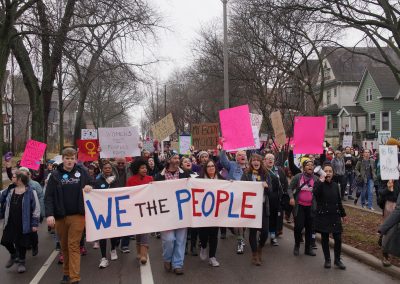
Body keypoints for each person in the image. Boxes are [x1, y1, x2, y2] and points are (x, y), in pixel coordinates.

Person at [45, 148, 93, 284]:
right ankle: (66, 274)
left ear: (75, 159)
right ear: (63, 159)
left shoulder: (82, 172)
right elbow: (48, 196)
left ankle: (75, 278)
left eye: (72, 158)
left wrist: (89, 186)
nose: (70, 161)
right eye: (67, 158)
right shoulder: (55, 175)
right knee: (64, 246)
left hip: (77, 215)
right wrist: (49, 214)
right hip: (60, 216)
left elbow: (93, 183)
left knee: (73, 245)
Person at [155, 153, 190, 275]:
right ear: (169, 160)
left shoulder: (185, 174)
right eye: (175, 158)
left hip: (181, 213)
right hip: (166, 213)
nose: (177, 160)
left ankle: (178, 264)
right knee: (169, 240)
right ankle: (167, 259)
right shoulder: (159, 176)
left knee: (180, 240)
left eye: (178, 158)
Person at [242, 154, 279, 266]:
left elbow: (271, 190)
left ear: (261, 162)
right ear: (251, 162)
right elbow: (240, 187)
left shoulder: (265, 174)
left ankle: (260, 248)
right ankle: (254, 254)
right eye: (254, 160)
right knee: (253, 231)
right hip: (251, 208)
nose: (256, 162)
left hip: (263, 206)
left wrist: (266, 186)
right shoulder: (246, 174)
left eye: (258, 160)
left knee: (264, 232)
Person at [1, 172, 40, 273]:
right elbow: (2, 198)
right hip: (10, 221)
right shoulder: (11, 189)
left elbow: (36, 208)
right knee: (5, 241)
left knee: (21, 243)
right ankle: (14, 254)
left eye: (14, 177)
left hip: (24, 221)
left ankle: (22, 262)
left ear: (20, 180)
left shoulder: (31, 192)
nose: (12, 178)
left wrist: (34, 224)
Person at [313, 163, 347, 269]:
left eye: (330, 171)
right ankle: (327, 259)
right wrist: (320, 181)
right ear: (322, 172)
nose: (328, 173)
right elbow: (315, 193)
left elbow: (338, 201)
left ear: (333, 173)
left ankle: (337, 260)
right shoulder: (319, 183)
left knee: (338, 238)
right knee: (325, 238)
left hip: (335, 215)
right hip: (324, 215)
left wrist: (343, 214)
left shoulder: (335, 185)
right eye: (326, 171)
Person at [219, 146, 248, 253]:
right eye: (239, 154)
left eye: (244, 154)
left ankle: (241, 238)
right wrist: (224, 148)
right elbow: (222, 160)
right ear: (236, 158)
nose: (242, 156)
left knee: (242, 222)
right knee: (237, 222)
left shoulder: (251, 167)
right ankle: (239, 239)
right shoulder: (231, 165)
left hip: (246, 199)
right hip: (233, 198)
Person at [288, 159, 318, 257]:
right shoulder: (298, 177)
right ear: (304, 167)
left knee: (309, 228)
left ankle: (308, 248)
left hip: (311, 207)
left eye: (312, 165)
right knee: (298, 227)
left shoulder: (316, 179)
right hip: (299, 206)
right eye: (308, 165)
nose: (310, 166)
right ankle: (297, 245)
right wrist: (292, 198)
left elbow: (319, 192)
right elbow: (289, 188)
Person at [94, 161, 121, 269]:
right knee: (103, 234)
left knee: (113, 232)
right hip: (101, 210)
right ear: (102, 169)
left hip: (113, 209)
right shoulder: (97, 180)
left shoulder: (115, 179)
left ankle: (113, 249)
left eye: (109, 168)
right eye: (105, 168)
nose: (108, 169)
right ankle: (104, 257)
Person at [126, 158, 153, 265]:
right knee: (138, 232)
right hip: (135, 209)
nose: (144, 169)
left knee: (145, 231)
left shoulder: (150, 179)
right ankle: (138, 251)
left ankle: (143, 255)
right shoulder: (131, 180)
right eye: (142, 168)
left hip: (147, 209)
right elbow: (127, 194)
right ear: (137, 169)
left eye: (145, 167)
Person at [197, 159, 222, 267]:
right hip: (203, 212)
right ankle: (203, 246)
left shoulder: (222, 179)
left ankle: (212, 257)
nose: (211, 168)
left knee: (214, 235)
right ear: (205, 168)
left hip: (216, 212)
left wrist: (231, 183)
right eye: (209, 166)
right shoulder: (199, 180)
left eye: (213, 166)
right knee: (203, 234)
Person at [18, 167, 44, 257]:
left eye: (23, 173)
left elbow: (40, 198)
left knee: (33, 232)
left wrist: (41, 212)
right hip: (20, 214)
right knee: (22, 232)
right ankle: (24, 249)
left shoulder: (35, 185)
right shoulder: (16, 185)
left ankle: (34, 245)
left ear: (28, 174)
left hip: (32, 213)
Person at [263, 153, 287, 245]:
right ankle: (262, 235)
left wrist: (283, 195)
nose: (270, 160)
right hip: (265, 198)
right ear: (264, 160)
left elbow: (284, 182)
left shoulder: (279, 170)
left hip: (276, 198)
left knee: (273, 218)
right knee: (264, 218)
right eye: (268, 158)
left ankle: (273, 237)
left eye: (272, 158)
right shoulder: (262, 170)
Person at [378, 179, 400, 266]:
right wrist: (388, 188)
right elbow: (380, 192)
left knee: (394, 231)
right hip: (389, 206)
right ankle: (385, 255)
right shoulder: (387, 177)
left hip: (397, 207)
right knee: (388, 231)